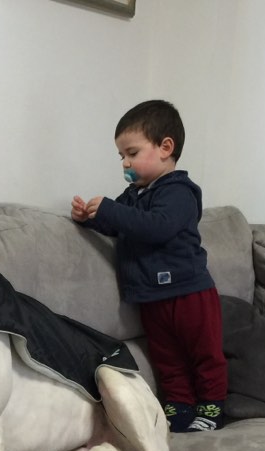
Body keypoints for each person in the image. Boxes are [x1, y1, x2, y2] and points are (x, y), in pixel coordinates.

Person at [71, 99, 227, 432]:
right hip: (151, 297)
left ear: (165, 148)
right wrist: (91, 218)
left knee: (204, 352)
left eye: (132, 152)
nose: (125, 162)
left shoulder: (180, 192)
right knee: (166, 356)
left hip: (189, 291)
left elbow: (158, 227)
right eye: (121, 156)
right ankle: (179, 404)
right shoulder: (134, 194)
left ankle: (211, 406)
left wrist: (111, 209)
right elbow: (119, 225)